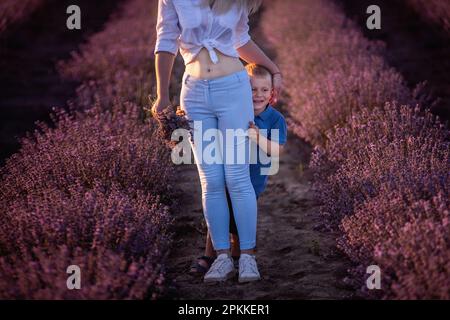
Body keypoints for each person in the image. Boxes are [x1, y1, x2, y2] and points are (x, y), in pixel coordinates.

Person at [152, 0, 283, 283]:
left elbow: (240, 40)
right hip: (195, 94)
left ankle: (247, 256)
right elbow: (165, 39)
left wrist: (273, 70)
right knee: (210, 180)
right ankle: (222, 258)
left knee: (236, 177)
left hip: (232, 90)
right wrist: (162, 94)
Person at [187, 63, 288, 279]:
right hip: (226, 173)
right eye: (252, 89)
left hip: (253, 180)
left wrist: (259, 137)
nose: (258, 95)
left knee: (240, 216)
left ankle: (237, 256)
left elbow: (278, 151)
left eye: (264, 90)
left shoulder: (275, 119)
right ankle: (210, 255)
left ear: (272, 93)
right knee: (220, 210)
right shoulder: (230, 113)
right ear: (241, 90)